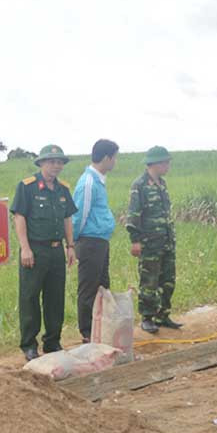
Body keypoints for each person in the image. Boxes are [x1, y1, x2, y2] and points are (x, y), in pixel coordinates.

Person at [11, 144, 77, 360]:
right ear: (41, 163)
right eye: (52, 161)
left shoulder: (63, 189)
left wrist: (71, 246)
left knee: (55, 298)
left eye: (59, 162)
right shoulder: (27, 187)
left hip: (57, 250)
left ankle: (52, 342)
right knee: (30, 297)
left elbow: (67, 218)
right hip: (35, 250)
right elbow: (19, 217)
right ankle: (29, 345)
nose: (56, 166)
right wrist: (25, 248)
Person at [127, 146, 181, 333]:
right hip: (149, 243)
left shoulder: (162, 184)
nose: (168, 165)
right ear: (155, 164)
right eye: (165, 162)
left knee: (168, 280)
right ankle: (147, 317)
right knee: (149, 281)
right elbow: (134, 215)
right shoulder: (139, 185)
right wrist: (135, 240)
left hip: (166, 240)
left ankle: (163, 314)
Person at [71, 139, 119, 341]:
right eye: (114, 157)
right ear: (107, 158)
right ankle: (87, 333)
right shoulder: (89, 182)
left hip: (100, 242)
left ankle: (100, 329)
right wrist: (72, 243)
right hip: (90, 242)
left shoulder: (98, 180)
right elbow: (79, 215)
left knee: (102, 284)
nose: (115, 162)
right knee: (89, 287)